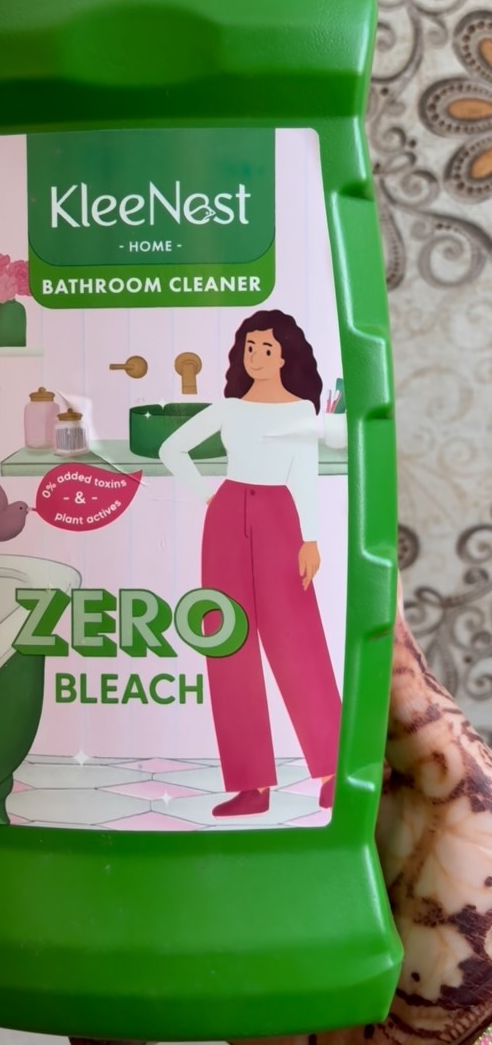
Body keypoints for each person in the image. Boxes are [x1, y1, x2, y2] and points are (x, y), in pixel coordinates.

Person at [69, 590, 492, 1043]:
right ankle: (252, 786)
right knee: (219, 630)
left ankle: (296, 780)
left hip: (339, 937)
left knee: (288, 630)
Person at [159, 310, 340, 817]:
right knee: (228, 640)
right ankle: (250, 786)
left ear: (285, 356)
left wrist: (311, 539)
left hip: (281, 518)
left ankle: (332, 770)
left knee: (298, 640)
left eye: (267, 348)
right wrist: (209, 497)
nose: (256, 356)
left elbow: (304, 474)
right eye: (250, 347)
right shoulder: (230, 408)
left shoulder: (301, 409)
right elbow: (173, 448)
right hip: (226, 518)